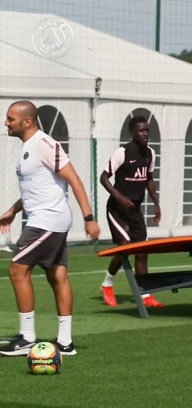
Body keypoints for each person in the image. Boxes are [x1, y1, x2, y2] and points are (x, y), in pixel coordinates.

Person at [0, 100, 100, 356]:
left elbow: (74, 179)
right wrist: (13, 210)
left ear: (27, 121)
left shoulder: (45, 144)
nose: (6, 123)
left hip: (48, 220)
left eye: (10, 119)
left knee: (17, 270)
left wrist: (89, 218)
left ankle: (27, 338)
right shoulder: (28, 149)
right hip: (45, 218)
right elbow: (39, 188)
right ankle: (65, 342)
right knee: (57, 276)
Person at [99, 116, 164, 308]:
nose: (145, 134)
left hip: (135, 210)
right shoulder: (122, 153)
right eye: (141, 131)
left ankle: (145, 295)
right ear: (132, 133)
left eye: (147, 131)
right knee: (125, 247)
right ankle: (107, 284)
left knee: (142, 252)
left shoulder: (150, 154)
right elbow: (104, 178)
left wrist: (156, 203)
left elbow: (149, 179)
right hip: (117, 210)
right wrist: (119, 196)